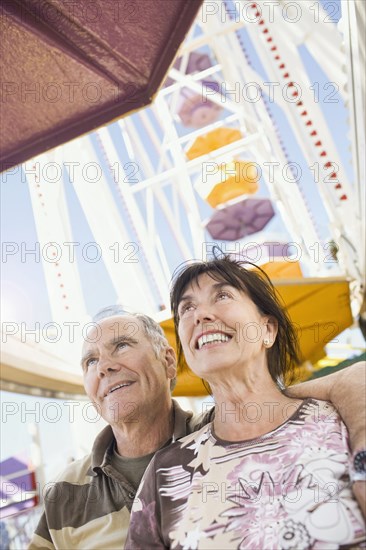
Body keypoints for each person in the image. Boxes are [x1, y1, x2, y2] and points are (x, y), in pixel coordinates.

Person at [29, 306, 365, 550]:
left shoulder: (232, 430)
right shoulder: (64, 492)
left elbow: (353, 378)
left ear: (168, 361)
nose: (104, 367)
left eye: (121, 346)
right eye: (90, 361)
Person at [125, 257, 366, 549]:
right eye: (187, 308)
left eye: (222, 295)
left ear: (267, 330)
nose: (200, 315)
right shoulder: (164, 473)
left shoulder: (343, 416)